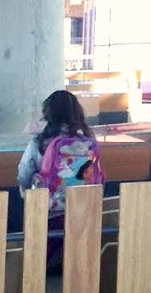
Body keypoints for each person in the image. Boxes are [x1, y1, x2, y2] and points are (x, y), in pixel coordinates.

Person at [16, 90, 105, 232]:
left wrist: (27, 193)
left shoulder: (39, 142)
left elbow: (24, 174)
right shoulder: (87, 142)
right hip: (82, 209)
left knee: (43, 251)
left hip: (48, 211)